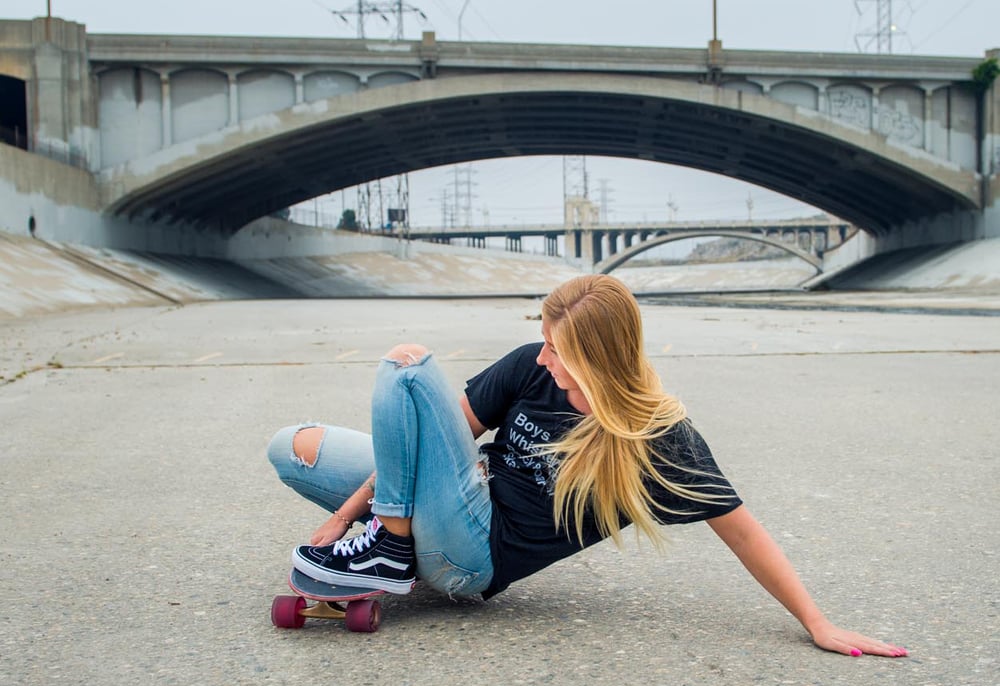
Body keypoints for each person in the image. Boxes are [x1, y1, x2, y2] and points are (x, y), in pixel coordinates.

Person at [267, 274, 908, 658]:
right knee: (292, 445)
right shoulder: (527, 366)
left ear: (597, 360)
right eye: (544, 342)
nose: (542, 359)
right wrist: (349, 516)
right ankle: (387, 544)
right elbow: (427, 443)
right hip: (446, 498)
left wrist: (817, 623)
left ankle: (389, 551)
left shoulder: (656, 439)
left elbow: (743, 530)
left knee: (407, 369)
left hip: (473, 558)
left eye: (557, 349)